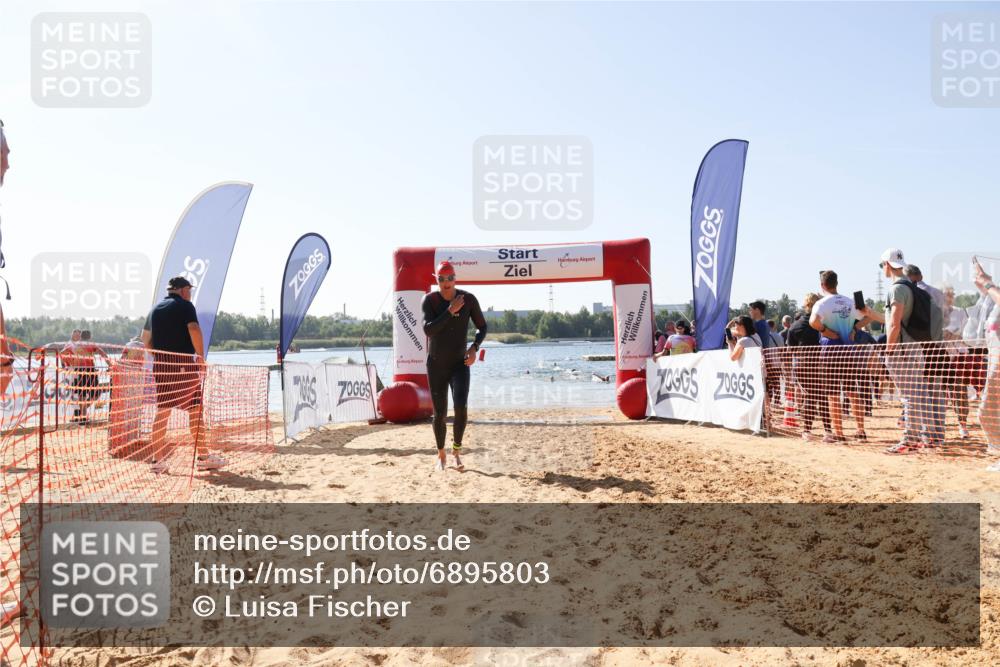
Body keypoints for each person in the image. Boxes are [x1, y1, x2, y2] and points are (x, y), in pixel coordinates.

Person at [142, 276, 223, 472]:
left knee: (163, 411)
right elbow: (194, 328)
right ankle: (203, 457)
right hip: (183, 364)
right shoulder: (185, 306)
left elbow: (145, 338)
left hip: (161, 365)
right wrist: (200, 357)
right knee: (195, 410)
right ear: (184, 289)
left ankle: (157, 461)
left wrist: (157, 355)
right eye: (190, 290)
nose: (190, 294)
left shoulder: (154, 309)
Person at [862, 248, 934, 454]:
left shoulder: (896, 289)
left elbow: (894, 324)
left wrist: (888, 350)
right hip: (915, 348)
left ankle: (909, 440)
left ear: (887, 265)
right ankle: (926, 436)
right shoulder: (910, 286)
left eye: (882, 265)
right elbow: (894, 321)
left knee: (909, 396)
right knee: (919, 394)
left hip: (901, 351)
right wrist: (869, 313)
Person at [422, 261, 487, 472]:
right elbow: (428, 330)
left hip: (460, 364)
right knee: (440, 414)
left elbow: (482, 327)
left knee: (461, 409)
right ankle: (441, 454)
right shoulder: (430, 300)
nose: (446, 282)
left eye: (450, 278)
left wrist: (474, 347)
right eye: (442, 279)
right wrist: (450, 310)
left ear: (455, 278)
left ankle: (456, 452)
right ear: (437, 280)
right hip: (436, 365)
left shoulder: (468, 299)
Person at [809, 270, 868, 443]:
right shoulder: (849, 301)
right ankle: (861, 431)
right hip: (848, 351)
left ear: (822, 285)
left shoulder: (821, 303)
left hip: (830, 351)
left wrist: (825, 330)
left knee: (833, 394)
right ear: (837, 283)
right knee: (853, 392)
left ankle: (839, 433)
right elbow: (868, 316)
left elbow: (813, 322)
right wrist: (855, 329)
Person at [787, 293, 831, 441]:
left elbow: (791, 349)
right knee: (822, 396)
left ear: (805, 305)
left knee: (810, 396)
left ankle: (807, 431)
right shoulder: (823, 322)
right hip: (821, 363)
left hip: (803, 364)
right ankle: (828, 432)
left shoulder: (795, 325)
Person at [971, 261, 1000, 470]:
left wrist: (987, 284)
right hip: (995, 364)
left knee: (986, 412)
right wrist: (985, 286)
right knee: (987, 412)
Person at [60, 329, 109, 424]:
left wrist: (69, 363)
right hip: (89, 371)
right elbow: (102, 353)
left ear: (81, 336)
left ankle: (81, 415)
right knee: (95, 394)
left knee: (82, 395)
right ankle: (82, 416)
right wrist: (110, 365)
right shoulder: (90, 344)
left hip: (79, 370)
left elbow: (62, 353)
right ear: (90, 337)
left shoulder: (73, 345)